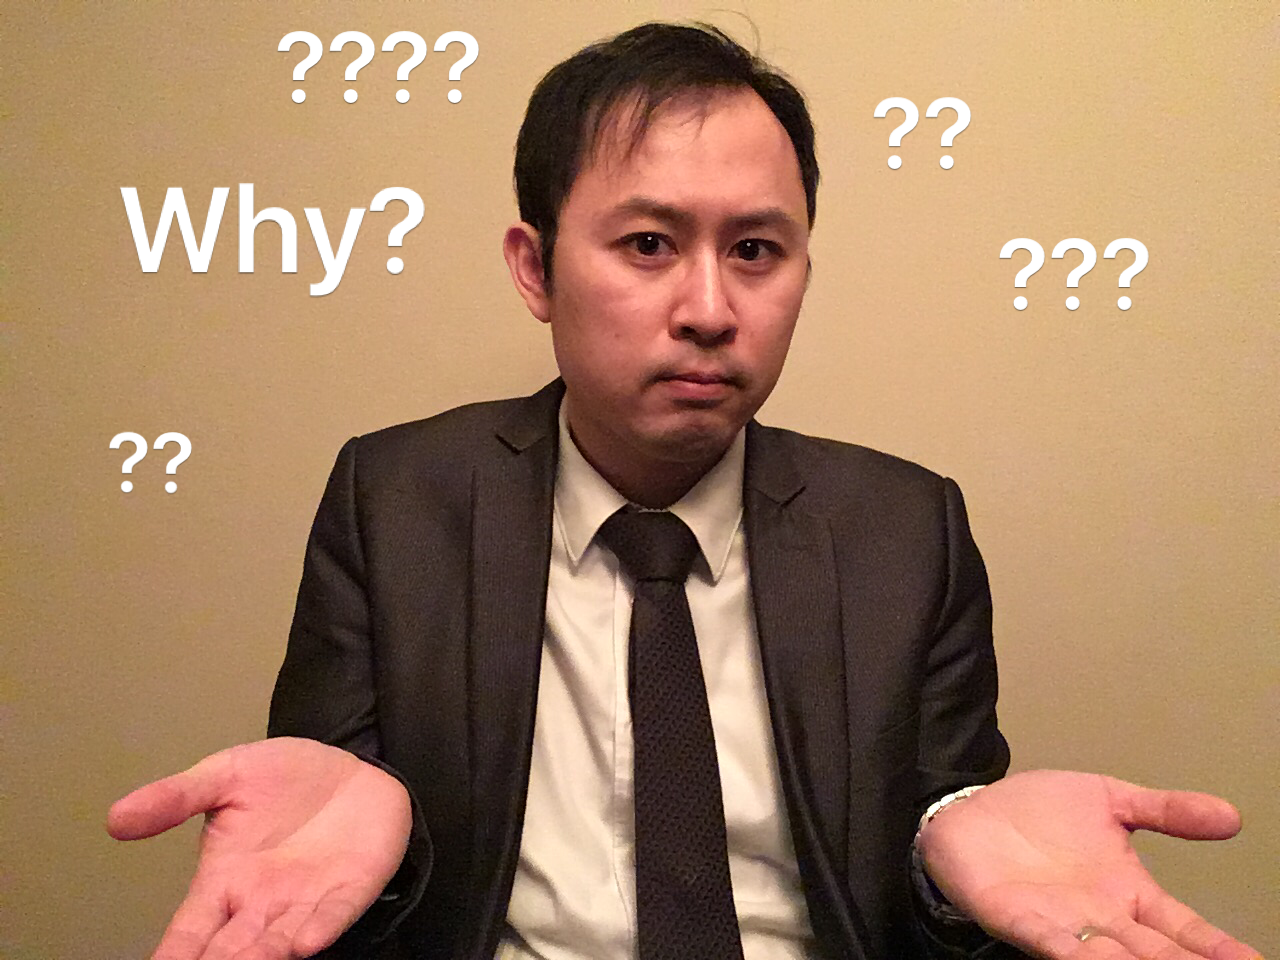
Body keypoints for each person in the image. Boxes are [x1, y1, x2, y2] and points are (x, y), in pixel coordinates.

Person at [107, 22, 1261, 960]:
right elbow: (331, 851)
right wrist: (387, 857)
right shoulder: (396, 501)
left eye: (755, 250)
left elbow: (947, 863)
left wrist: (944, 856)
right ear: (534, 267)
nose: (709, 309)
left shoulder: (906, 532)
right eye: (649, 245)